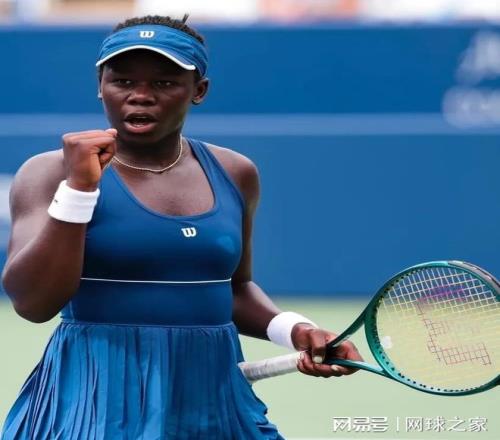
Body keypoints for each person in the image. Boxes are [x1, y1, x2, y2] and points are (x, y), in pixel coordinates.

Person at [1, 15, 362, 439]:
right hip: (95, 398)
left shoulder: (236, 172)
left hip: (212, 400)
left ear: (199, 90)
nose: (140, 96)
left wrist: (297, 330)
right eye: (122, 81)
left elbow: (233, 288)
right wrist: (79, 190)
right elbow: (33, 303)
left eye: (164, 83)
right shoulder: (49, 172)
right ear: (100, 85)